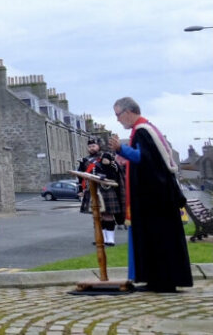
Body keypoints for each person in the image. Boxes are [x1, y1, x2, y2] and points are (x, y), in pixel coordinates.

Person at [109, 97, 192, 293]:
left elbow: (144, 159)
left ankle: (162, 281)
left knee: (159, 238)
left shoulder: (143, 132)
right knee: (157, 238)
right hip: (157, 196)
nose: (118, 120)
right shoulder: (146, 129)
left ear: (128, 112)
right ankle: (157, 280)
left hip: (155, 198)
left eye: (118, 115)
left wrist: (122, 149)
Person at [77, 137, 124, 247]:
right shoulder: (85, 160)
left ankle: (110, 239)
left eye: (93, 146)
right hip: (91, 190)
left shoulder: (107, 157)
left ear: (99, 146)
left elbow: (115, 172)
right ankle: (100, 238)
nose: (91, 148)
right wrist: (80, 190)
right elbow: (80, 177)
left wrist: (106, 165)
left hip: (105, 189)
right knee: (97, 216)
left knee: (108, 215)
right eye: (89, 146)